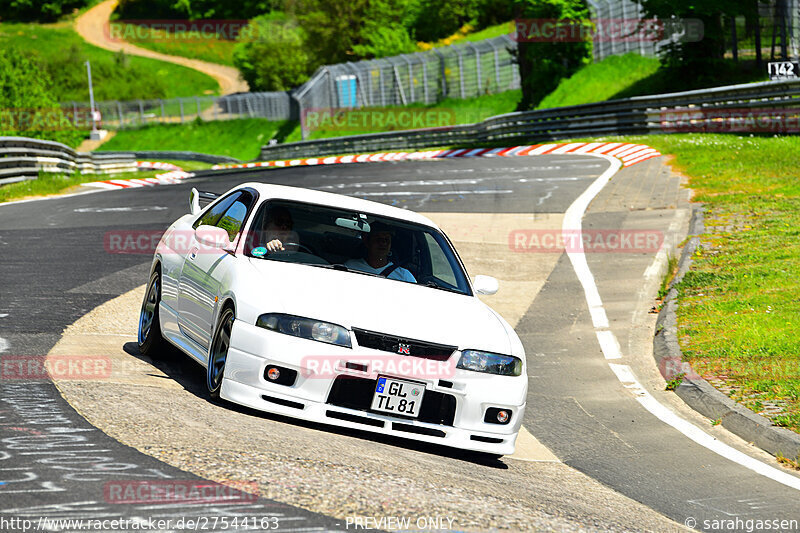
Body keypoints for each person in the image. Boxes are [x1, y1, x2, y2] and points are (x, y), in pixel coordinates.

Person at [345, 222, 416, 282]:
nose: (383, 243)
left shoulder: (404, 276)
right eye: (378, 239)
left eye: (387, 239)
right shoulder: (350, 267)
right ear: (367, 242)